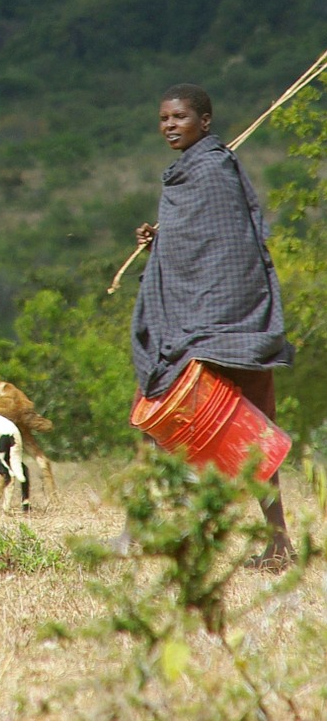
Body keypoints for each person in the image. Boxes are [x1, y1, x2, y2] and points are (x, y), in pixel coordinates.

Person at [119, 82, 296, 571]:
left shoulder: (215, 169)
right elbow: (195, 247)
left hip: (228, 325)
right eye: (163, 118)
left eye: (179, 117)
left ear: (205, 121)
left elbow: (232, 251)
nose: (169, 126)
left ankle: (278, 541)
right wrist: (163, 240)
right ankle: (135, 531)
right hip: (198, 326)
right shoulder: (182, 176)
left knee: (248, 434)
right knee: (156, 422)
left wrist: (214, 318)